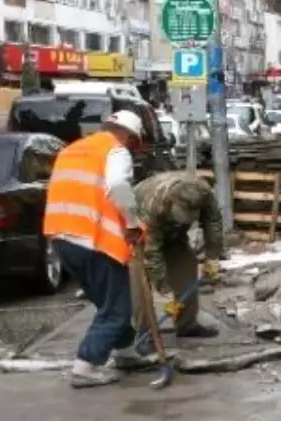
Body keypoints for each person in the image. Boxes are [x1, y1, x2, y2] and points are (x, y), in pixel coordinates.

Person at [44, 111, 146, 388]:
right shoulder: (115, 150)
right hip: (95, 239)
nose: (132, 151)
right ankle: (85, 366)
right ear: (126, 135)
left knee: (107, 300)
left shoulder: (72, 150)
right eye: (134, 144)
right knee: (117, 308)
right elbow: (118, 186)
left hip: (61, 237)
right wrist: (133, 223)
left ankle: (124, 352)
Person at [134, 171, 224, 339]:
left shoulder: (205, 194)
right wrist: (164, 290)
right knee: (140, 282)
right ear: (171, 203)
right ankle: (145, 332)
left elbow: (213, 221)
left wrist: (212, 255)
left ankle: (187, 325)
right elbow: (151, 252)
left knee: (186, 268)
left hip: (173, 233)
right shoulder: (152, 205)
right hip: (137, 233)